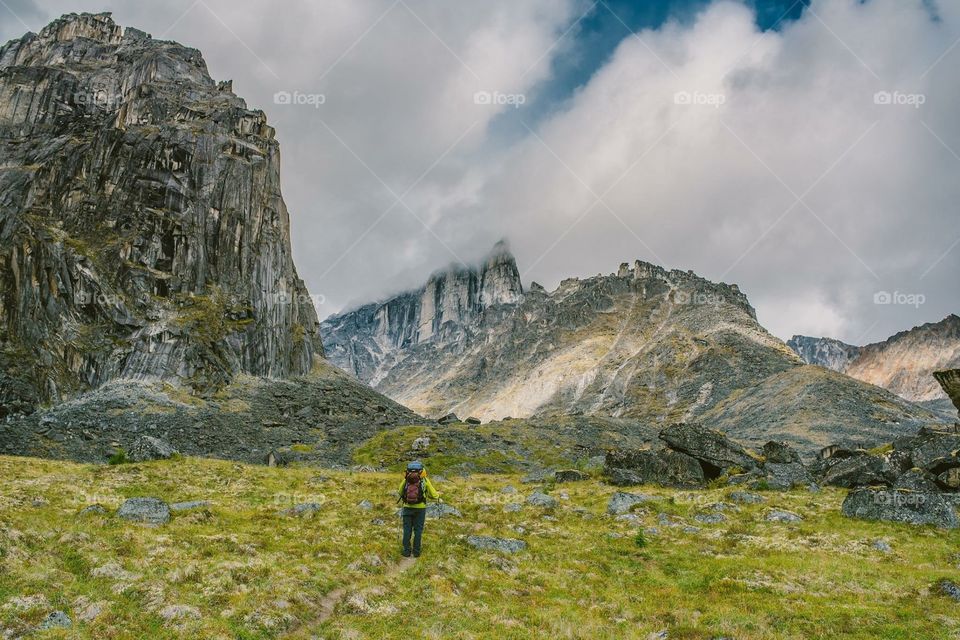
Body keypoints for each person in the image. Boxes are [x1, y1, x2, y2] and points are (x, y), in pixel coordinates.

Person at [397, 460, 439, 558]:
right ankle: (416, 552)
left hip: (407, 508)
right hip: (420, 509)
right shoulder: (424, 480)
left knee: (407, 530)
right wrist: (438, 496)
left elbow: (400, 491)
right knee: (418, 530)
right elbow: (433, 494)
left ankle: (406, 551)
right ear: (421, 471)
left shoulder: (406, 480)